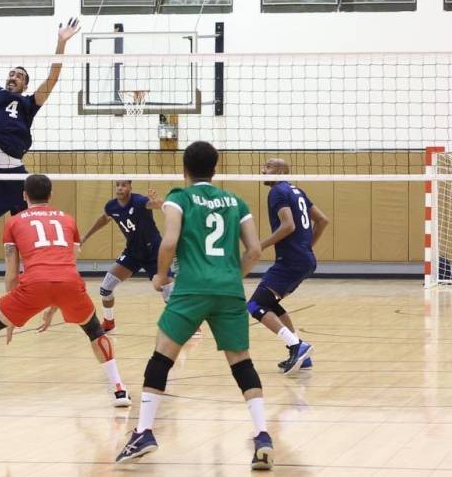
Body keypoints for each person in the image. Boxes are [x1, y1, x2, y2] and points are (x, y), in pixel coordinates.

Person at [116, 141, 273, 469]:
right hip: (229, 289)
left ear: (184, 169)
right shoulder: (237, 201)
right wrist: (232, 276)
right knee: (241, 362)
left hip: (191, 288)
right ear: (215, 169)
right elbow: (255, 250)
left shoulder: (180, 198)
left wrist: (161, 276)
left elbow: (169, 241)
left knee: (162, 356)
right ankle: (262, 435)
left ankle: (144, 432)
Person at [0, 174, 131, 411]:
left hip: (34, 284)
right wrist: (55, 305)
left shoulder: (14, 222)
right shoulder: (68, 220)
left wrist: (10, 317)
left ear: (24, 196)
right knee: (95, 330)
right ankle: (119, 389)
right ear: (51, 195)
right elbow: (67, 264)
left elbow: (12, 274)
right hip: (69, 282)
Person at [0, 0, 79, 331]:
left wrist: (61, 43)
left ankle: (23, 298)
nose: (13, 77)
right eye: (12, 74)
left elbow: (53, 78)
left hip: (17, 176)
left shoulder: (29, 104)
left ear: (25, 84)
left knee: (21, 245)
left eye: (19, 75)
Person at [250, 158, 329, 374]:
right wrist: (306, 247)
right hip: (303, 259)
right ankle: (302, 356)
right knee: (270, 303)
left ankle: (297, 346)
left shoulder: (277, 191)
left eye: (267, 167)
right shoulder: (297, 191)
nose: (262, 170)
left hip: (291, 261)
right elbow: (322, 220)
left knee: (255, 305)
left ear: (279, 171)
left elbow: (288, 225)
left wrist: (260, 245)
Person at [82, 181, 165, 332]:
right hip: (133, 252)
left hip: (154, 251)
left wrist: (156, 201)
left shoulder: (139, 201)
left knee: (167, 290)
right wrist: (85, 237)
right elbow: (104, 218)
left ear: (130, 188)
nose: (120, 188)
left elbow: (156, 205)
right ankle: (109, 322)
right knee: (106, 287)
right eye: (118, 185)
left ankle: (191, 325)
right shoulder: (111, 206)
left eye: (124, 185)